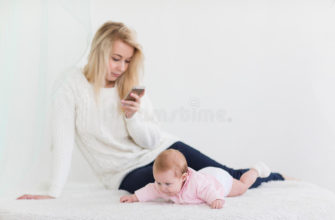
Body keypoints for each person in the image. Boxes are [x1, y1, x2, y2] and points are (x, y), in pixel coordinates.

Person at [17, 21, 285, 200]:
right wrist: (53, 192)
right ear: (99, 52)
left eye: (127, 61)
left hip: (161, 149)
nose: (121, 67)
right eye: (116, 59)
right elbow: (63, 142)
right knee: (198, 186)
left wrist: (132, 118)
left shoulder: (131, 85)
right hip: (124, 172)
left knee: (228, 176)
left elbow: (151, 140)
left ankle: (275, 176)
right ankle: (269, 175)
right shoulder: (70, 87)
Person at [120, 149, 272, 209]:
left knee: (242, 187)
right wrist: (135, 197)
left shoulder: (196, 184)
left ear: (183, 178)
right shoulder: (162, 186)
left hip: (218, 180)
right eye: (159, 182)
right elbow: (150, 190)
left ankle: (256, 170)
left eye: (167, 183)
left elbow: (208, 190)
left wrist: (216, 199)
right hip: (205, 173)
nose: (162, 188)